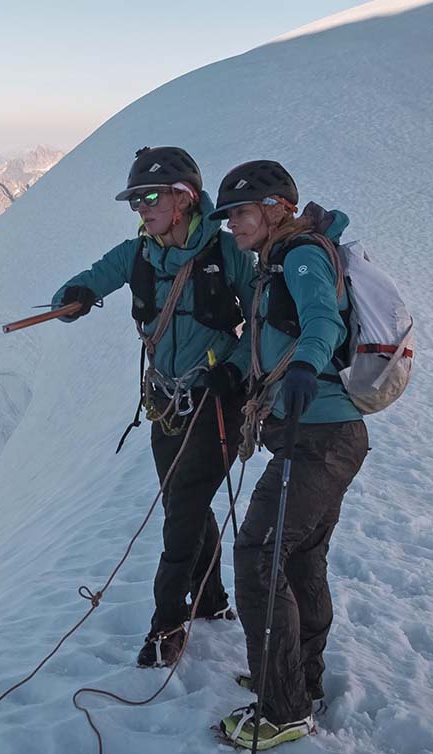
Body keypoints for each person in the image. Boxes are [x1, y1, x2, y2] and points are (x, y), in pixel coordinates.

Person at [51, 146, 256, 668]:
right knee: (180, 501)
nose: (139, 208)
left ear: (184, 199)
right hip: (167, 403)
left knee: (182, 509)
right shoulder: (139, 253)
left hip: (214, 402)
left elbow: (264, 318)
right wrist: (71, 296)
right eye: (135, 201)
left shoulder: (226, 253)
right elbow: (94, 278)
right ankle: (211, 602)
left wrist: (231, 368)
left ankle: (167, 624)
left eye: (148, 198)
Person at [208, 160, 370, 750]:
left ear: (276, 208)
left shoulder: (300, 256)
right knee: (298, 559)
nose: (232, 225)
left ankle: (283, 708)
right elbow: (270, 338)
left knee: (257, 552)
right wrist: (230, 373)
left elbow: (321, 319)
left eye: (241, 213)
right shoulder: (272, 263)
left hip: (319, 436)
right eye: (226, 217)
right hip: (327, 436)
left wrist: (305, 365)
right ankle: (300, 679)